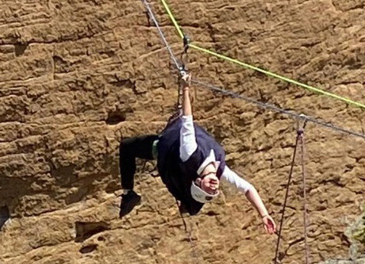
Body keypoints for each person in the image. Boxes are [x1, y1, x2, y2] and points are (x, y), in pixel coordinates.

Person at [119, 72, 277, 234]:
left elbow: (187, 120)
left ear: (198, 181)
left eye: (207, 188)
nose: (213, 187)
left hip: (163, 147)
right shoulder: (220, 169)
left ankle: (128, 193)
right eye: (214, 191)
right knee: (191, 200)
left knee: (126, 147)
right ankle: (182, 203)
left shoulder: (190, 153)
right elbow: (247, 188)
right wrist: (264, 214)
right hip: (176, 146)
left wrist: (186, 89)